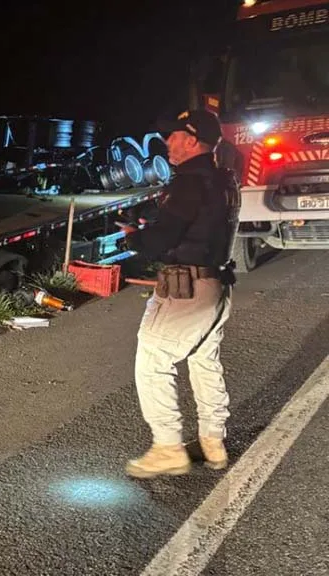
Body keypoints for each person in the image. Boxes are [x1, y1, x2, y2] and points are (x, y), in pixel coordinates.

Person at [120, 109, 240, 479]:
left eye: (173, 136)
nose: (167, 143)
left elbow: (161, 240)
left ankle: (168, 448)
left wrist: (134, 237)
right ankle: (212, 441)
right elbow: (199, 227)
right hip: (216, 285)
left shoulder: (189, 182)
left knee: (153, 359)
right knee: (204, 360)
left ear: (191, 140)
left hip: (186, 289)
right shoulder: (223, 179)